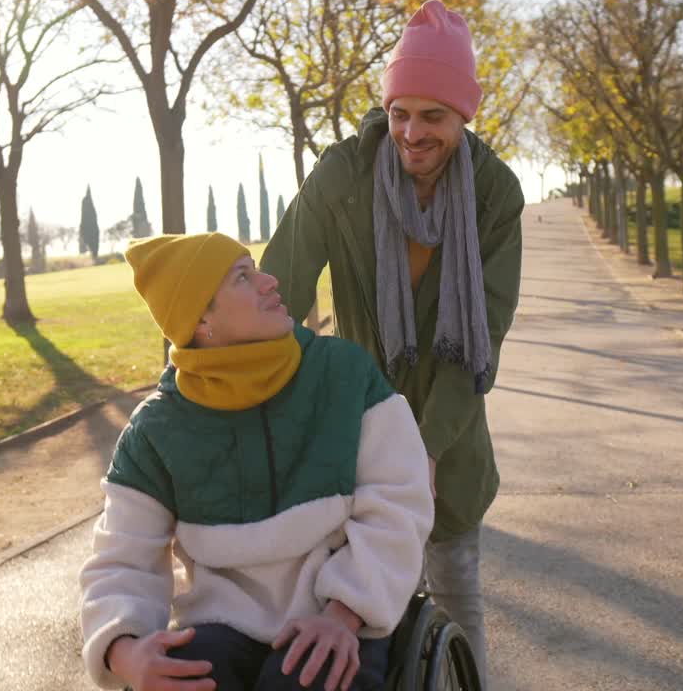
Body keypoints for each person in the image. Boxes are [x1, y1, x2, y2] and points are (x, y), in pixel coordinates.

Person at [260, 0, 524, 689]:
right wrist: (276, 392)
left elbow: (480, 340)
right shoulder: (344, 174)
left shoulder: (495, 193)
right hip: (353, 421)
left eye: (433, 116)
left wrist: (427, 446)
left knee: (456, 584)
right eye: (400, 112)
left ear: (464, 116)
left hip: (451, 431)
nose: (412, 132)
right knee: (348, 600)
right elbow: (278, 286)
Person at [79, 233, 434, 691]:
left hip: (341, 611)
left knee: (301, 677)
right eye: (244, 277)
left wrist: (345, 613)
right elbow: (121, 558)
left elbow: (398, 502)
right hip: (221, 625)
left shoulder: (345, 375)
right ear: (200, 318)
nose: (271, 282)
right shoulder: (155, 429)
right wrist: (125, 652)